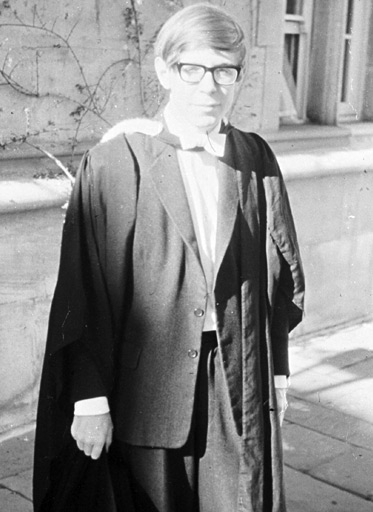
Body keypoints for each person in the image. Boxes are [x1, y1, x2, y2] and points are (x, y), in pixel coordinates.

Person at [33, 3, 305, 512]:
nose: (210, 86)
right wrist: (90, 401)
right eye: (194, 69)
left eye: (225, 71)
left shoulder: (254, 158)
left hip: (237, 381)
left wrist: (278, 375)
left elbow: (278, 275)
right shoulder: (118, 161)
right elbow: (82, 288)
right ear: (164, 70)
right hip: (146, 387)